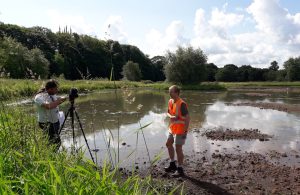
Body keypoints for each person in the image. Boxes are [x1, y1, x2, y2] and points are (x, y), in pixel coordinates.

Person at [165, 85, 190, 177]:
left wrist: (185, 131)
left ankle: (180, 169)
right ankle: (172, 164)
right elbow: (168, 112)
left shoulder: (182, 104)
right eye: (169, 91)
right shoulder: (170, 101)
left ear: (177, 93)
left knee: (178, 148)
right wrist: (171, 116)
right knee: (168, 144)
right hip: (172, 128)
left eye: (171, 91)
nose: (169, 93)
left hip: (181, 130)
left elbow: (187, 118)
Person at [34, 79, 66, 145]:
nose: (57, 90)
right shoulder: (39, 97)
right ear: (50, 89)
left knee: (56, 141)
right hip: (46, 123)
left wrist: (66, 98)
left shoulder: (52, 94)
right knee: (53, 143)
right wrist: (58, 101)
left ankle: (53, 154)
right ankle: (50, 153)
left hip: (55, 121)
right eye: (56, 89)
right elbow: (48, 106)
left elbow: (56, 102)